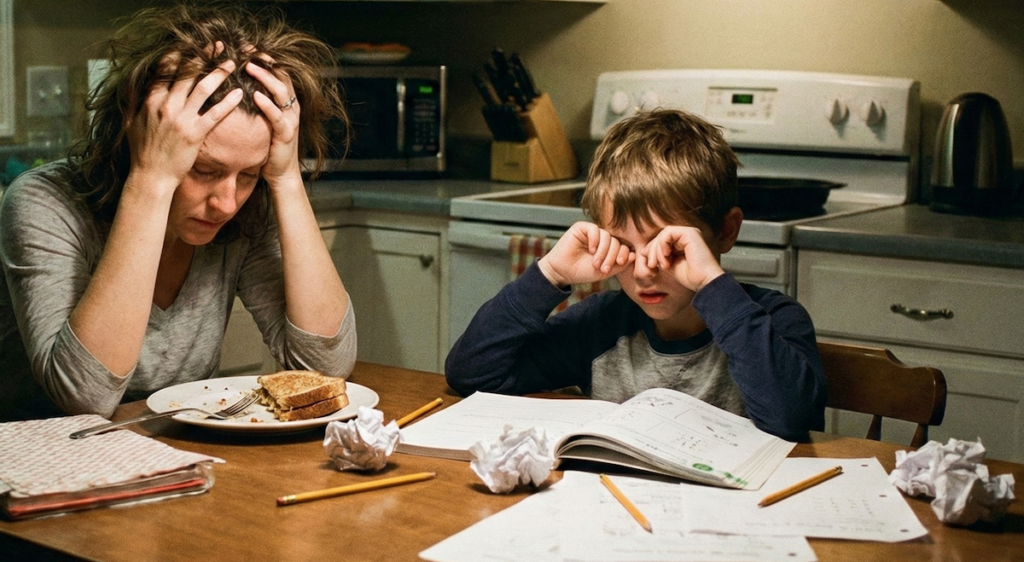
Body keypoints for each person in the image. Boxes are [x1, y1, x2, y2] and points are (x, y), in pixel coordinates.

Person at [0, 2, 357, 421]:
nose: (227, 203)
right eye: (203, 170)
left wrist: (286, 179)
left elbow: (325, 370)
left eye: (249, 174)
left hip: (175, 447)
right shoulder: (44, 202)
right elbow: (85, 399)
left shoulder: (249, 212)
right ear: (143, 129)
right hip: (43, 452)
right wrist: (150, 178)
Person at [445, 109, 826, 442]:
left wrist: (713, 286)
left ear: (726, 232)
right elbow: (472, 375)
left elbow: (793, 420)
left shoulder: (777, 320)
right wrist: (550, 273)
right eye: (623, 245)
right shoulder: (599, 324)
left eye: (669, 247)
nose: (644, 271)